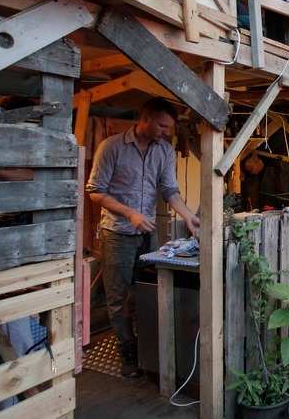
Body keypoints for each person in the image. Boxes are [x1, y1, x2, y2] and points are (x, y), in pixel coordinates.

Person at [86, 98, 199, 377]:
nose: (166, 132)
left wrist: (187, 215)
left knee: (145, 290)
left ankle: (146, 348)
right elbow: (95, 191)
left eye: (169, 127)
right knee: (118, 296)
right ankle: (128, 352)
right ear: (145, 118)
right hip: (117, 233)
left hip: (147, 234)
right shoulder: (111, 147)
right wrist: (130, 213)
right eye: (162, 125)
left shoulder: (164, 150)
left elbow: (169, 190)